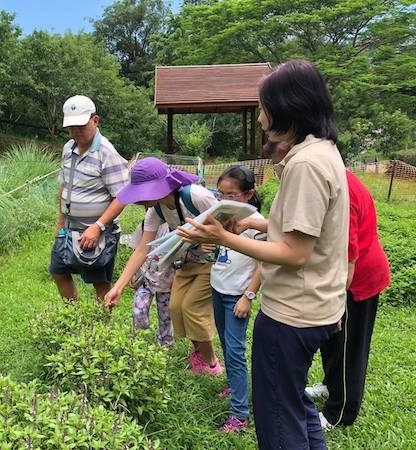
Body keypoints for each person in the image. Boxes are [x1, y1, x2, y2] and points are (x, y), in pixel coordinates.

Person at [178, 60, 349, 449]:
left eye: (263, 106)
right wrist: (256, 225)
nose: (259, 118)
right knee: (297, 405)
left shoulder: (305, 164)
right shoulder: (323, 152)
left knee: (277, 419)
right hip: (317, 309)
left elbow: (295, 252)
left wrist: (222, 236)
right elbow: (307, 231)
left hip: (291, 314)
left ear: (288, 106)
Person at [105, 157, 223, 376]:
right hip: (185, 262)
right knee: (176, 308)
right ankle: (198, 352)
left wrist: (212, 238)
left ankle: (213, 363)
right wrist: (118, 286)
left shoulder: (196, 196)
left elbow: (228, 221)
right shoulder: (157, 210)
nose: (139, 201)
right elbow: (142, 249)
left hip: (211, 261)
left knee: (191, 309)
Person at [305, 169, 391, 430]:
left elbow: (348, 250)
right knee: (331, 339)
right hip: (343, 276)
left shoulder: (339, 187)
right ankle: (331, 386)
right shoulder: (332, 175)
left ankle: (339, 413)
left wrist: (337, 296)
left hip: (358, 279)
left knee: (348, 348)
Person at [49, 95, 129, 301]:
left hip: (97, 230)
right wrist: (60, 223)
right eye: (71, 127)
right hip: (69, 227)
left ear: (95, 120)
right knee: (58, 271)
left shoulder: (106, 152)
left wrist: (98, 227)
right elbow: (64, 185)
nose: (76, 132)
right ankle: (72, 314)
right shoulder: (68, 148)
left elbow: (121, 197)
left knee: (99, 280)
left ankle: (100, 328)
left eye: (81, 126)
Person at [204, 165, 263, 433]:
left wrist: (248, 296)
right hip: (218, 288)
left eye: (232, 195)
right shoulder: (220, 217)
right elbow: (217, 253)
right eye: (220, 194)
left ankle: (240, 414)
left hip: (237, 296)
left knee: (236, 352)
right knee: (227, 344)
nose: (224, 201)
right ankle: (233, 385)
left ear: (248, 194)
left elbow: (264, 263)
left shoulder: (255, 222)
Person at [128, 219, 174, 346]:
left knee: (166, 316)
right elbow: (136, 250)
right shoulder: (143, 226)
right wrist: (132, 272)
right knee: (139, 311)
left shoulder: (174, 226)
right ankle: (139, 341)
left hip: (167, 280)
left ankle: (165, 342)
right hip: (145, 278)